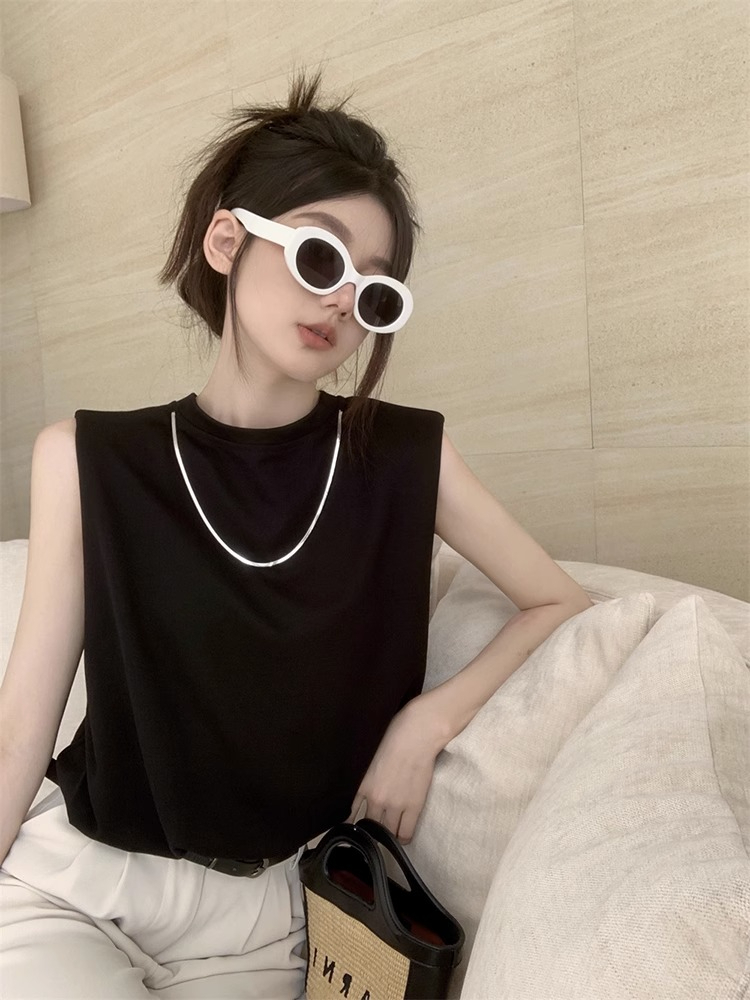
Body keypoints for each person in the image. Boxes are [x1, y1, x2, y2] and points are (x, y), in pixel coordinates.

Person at [0, 68, 592, 999]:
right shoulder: (84, 458)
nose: (343, 302)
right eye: (322, 258)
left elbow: (559, 602)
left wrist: (426, 721)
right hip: (76, 887)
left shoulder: (405, 458)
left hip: (272, 920)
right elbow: (20, 726)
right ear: (227, 241)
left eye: (375, 290)